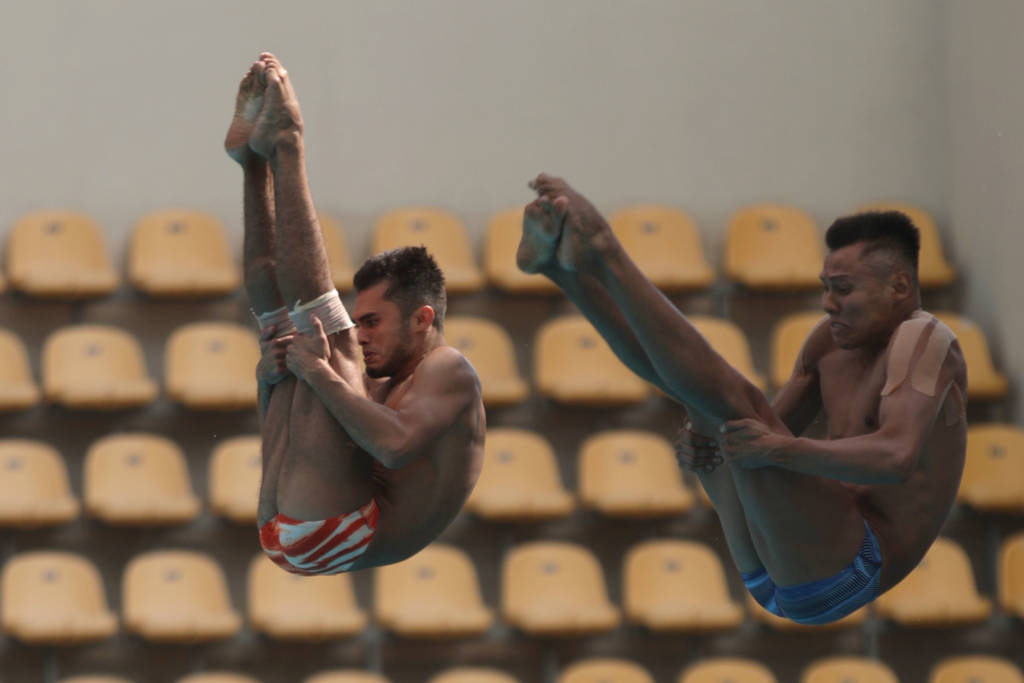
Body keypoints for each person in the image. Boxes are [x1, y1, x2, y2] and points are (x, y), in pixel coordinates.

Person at [518, 173, 966, 624]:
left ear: (899, 288)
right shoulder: (830, 342)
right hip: (781, 567)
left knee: (738, 402)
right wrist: (709, 447)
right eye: (826, 287)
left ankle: (605, 253)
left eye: (844, 289)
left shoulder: (925, 339)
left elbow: (895, 457)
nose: (828, 303)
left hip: (852, 571)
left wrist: (779, 449)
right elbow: (758, 430)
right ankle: (561, 269)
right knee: (708, 407)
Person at [224, 53, 485, 574]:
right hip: (286, 528)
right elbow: (304, 438)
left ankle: (288, 143)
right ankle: (252, 164)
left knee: (322, 332)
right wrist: (269, 381)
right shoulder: (379, 385)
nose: (363, 336)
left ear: (422, 319)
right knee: (281, 332)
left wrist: (320, 372)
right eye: (361, 321)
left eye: (373, 322)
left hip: (341, 530)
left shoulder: (449, 369)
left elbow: (394, 447)